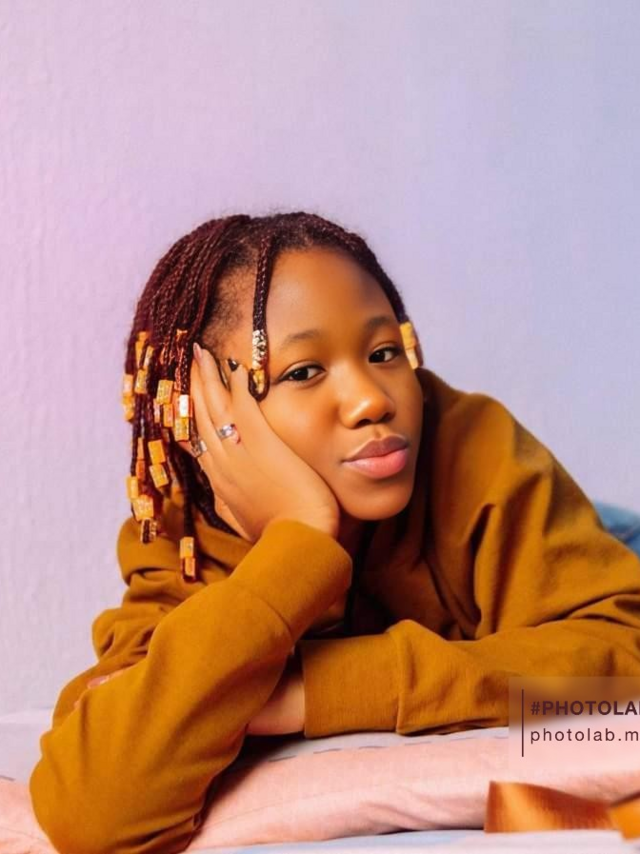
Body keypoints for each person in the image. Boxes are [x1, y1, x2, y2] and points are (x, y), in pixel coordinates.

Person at [29, 211, 640, 854]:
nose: (373, 399)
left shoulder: (471, 445)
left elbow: (621, 662)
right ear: (207, 411)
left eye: (383, 353)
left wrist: (312, 692)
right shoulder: (184, 530)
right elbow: (95, 810)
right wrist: (298, 539)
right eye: (303, 371)